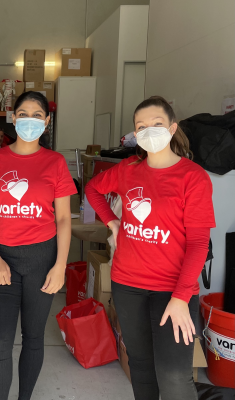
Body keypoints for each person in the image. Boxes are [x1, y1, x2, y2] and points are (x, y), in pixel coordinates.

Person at [85, 96, 215, 400]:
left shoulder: (193, 177)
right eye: (141, 126)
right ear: (135, 134)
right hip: (127, 285)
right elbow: (92, 189)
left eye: (156, 123)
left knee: (174, 376)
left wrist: (181, 298)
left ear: (172, 128)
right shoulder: (128, 169)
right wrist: (112, 222)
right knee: (141, 366)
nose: (148, 130)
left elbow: (198, 244)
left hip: (173, 289)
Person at [0, 91, 76, 400]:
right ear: (13, 119)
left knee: (33, 337)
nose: (30, 120)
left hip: (42, 258)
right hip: (2, 258)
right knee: (0, 342)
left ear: (47, 121)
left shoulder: (55, 162)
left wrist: (60, 266)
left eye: (37, 115)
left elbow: (64, 219)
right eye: (23, 114)